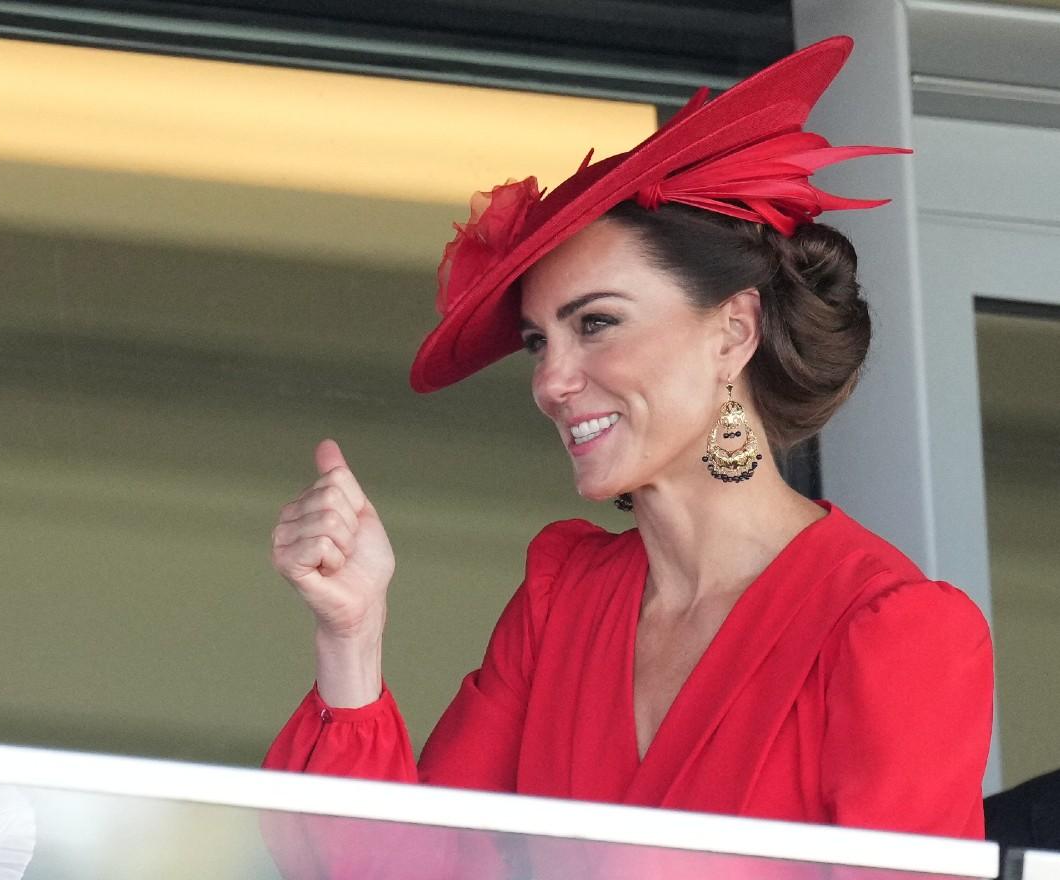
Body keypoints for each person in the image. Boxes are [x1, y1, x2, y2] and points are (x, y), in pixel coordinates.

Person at [262, 35, 993, 842]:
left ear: (733, 332)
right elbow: (401, 867)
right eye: (541, 342)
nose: (550, 381)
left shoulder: (895, 631)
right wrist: (352, 635)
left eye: (597, 324)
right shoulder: (562, 600)